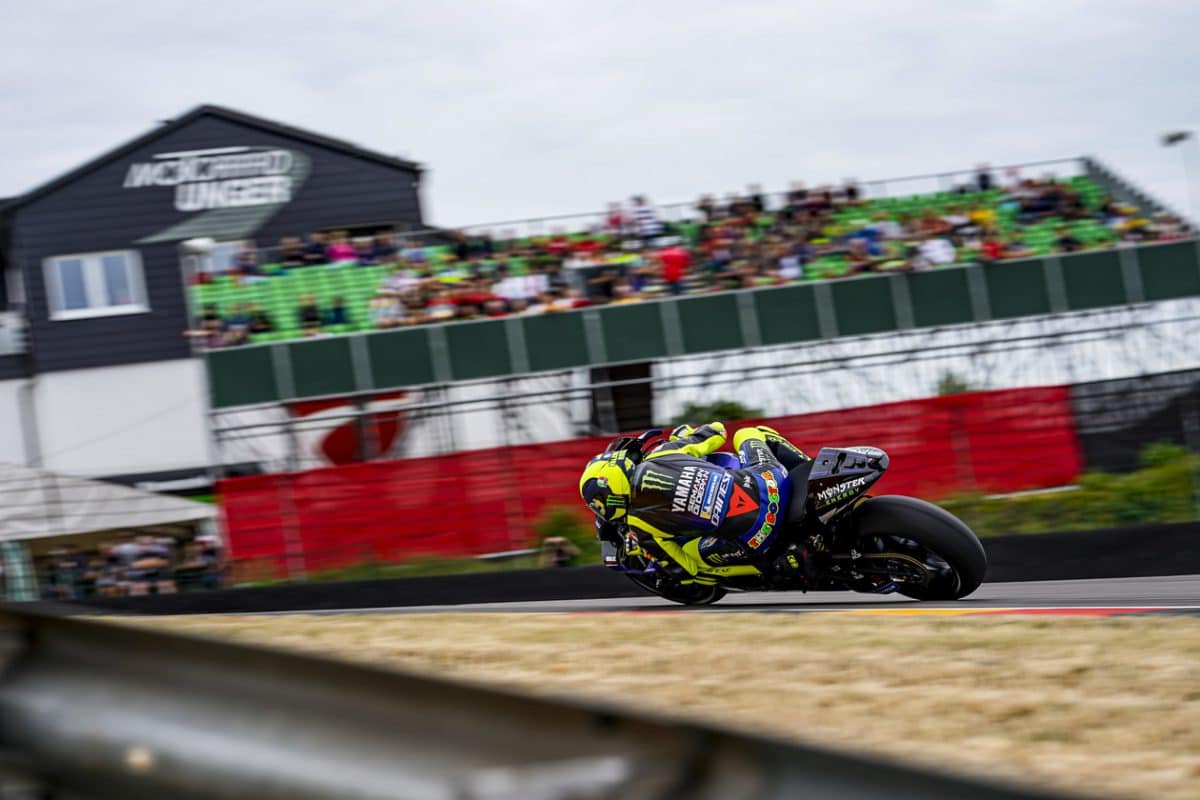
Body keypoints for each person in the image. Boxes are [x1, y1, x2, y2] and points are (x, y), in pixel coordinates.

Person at [578, 421, 811, 583]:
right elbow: (718, 432)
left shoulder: (640, 529)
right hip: (770, 481)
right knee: (748, 433)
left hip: (757, 537)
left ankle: (761, 570)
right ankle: (812, 473)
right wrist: (683, 435)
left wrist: (643, 550)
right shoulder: (662, 453)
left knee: (695, 560)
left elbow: (684, 570)